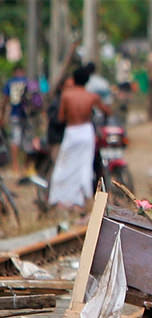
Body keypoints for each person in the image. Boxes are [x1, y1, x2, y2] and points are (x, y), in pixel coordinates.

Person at [49, 64, 110, 210]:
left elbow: (61, 117)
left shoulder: (66, 95)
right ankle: (82, 200)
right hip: (86, 131)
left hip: (71, 131)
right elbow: (106, 111)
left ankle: (61, 199)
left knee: (64, 167)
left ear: (74, 80)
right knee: (84, 167)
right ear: (87, 81)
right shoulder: (92, 96)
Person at [1, 64, 30, 178]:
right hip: (28, 116)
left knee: (15, 140)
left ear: (14, 72)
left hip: (15, 115)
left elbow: (5, 101)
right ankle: (27, 166)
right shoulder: (28, 81)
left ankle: (15, 165)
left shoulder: (10, 82)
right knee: (27, 140)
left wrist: (2, 116)